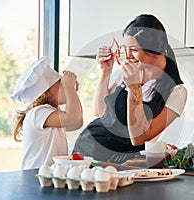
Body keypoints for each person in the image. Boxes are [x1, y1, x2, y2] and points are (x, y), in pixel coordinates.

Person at [74, 14, 187, 162]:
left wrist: (134, 88)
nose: (128, 56)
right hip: (85, 152)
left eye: (133, 49)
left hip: (121, 163)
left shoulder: (176, 92)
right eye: (126, 49)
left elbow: (139, 139)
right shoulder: (125, 73)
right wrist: (106, 71)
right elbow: (100, 112)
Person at [11, 56, 83, 169]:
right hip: (35, 177)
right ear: (45, 93)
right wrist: (69, 88)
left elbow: (77, 123)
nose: (64, 85)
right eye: (61, 84)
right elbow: (74, 118)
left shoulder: (52, 113)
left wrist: (71, 91)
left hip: (49, 175)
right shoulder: (38, 113)